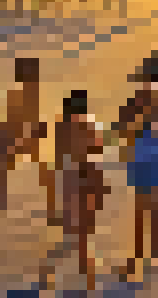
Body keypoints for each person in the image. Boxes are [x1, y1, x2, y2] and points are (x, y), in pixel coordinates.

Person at [114, 54, 158, 278]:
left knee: (141, 210)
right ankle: (152, 256)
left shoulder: (147, 92)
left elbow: (131, 121)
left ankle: (138, 257)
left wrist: (124, 129)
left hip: (143, 156)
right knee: (154, 210)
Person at [48, 89, 109, 292]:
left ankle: (84, 274)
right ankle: (87, 275)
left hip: (72, 176)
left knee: (74, 230)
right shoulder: (92, 124)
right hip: (90, 174)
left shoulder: (62, 126)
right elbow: (98, 151)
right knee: (84, 230)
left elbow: (59, 157)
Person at [0, 56, 44, 224]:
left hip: (20, 138)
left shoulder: (24, 95)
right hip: (18, 137)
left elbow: (24, 121)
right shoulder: (23, 94)